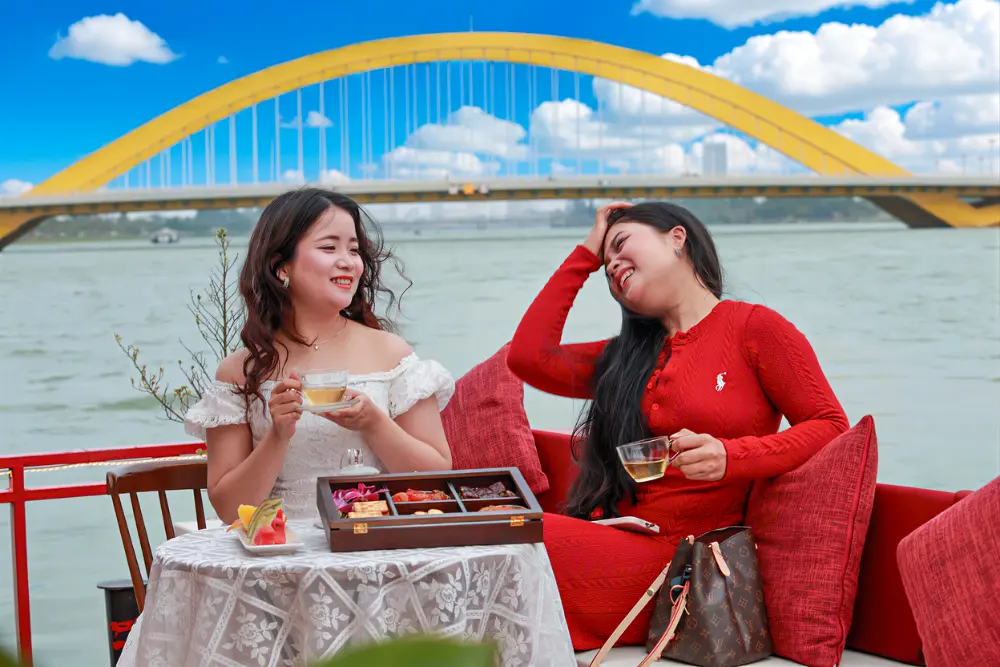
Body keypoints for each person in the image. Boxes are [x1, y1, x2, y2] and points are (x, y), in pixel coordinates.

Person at [507, 201, 849, 650]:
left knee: (513, 533)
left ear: (677, 237)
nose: (612, 267)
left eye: (622, 244)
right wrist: (586, 254)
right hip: (621, 538)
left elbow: (830, 425)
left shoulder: (754, 329)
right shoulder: (624, 359)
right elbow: (527, 357)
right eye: (606, 267)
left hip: (688, 571)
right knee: (502, 534)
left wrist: (732, 456)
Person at [184, 188, 454, 524]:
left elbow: (435, 479)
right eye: (329, 247)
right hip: (280, 553)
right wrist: (278, 433)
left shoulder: (392, 354)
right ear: (281, 266)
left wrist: (373, 422)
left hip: (373, 544)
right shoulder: (240, 371)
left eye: (354, 249)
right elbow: (230, 510)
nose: (348, 261)